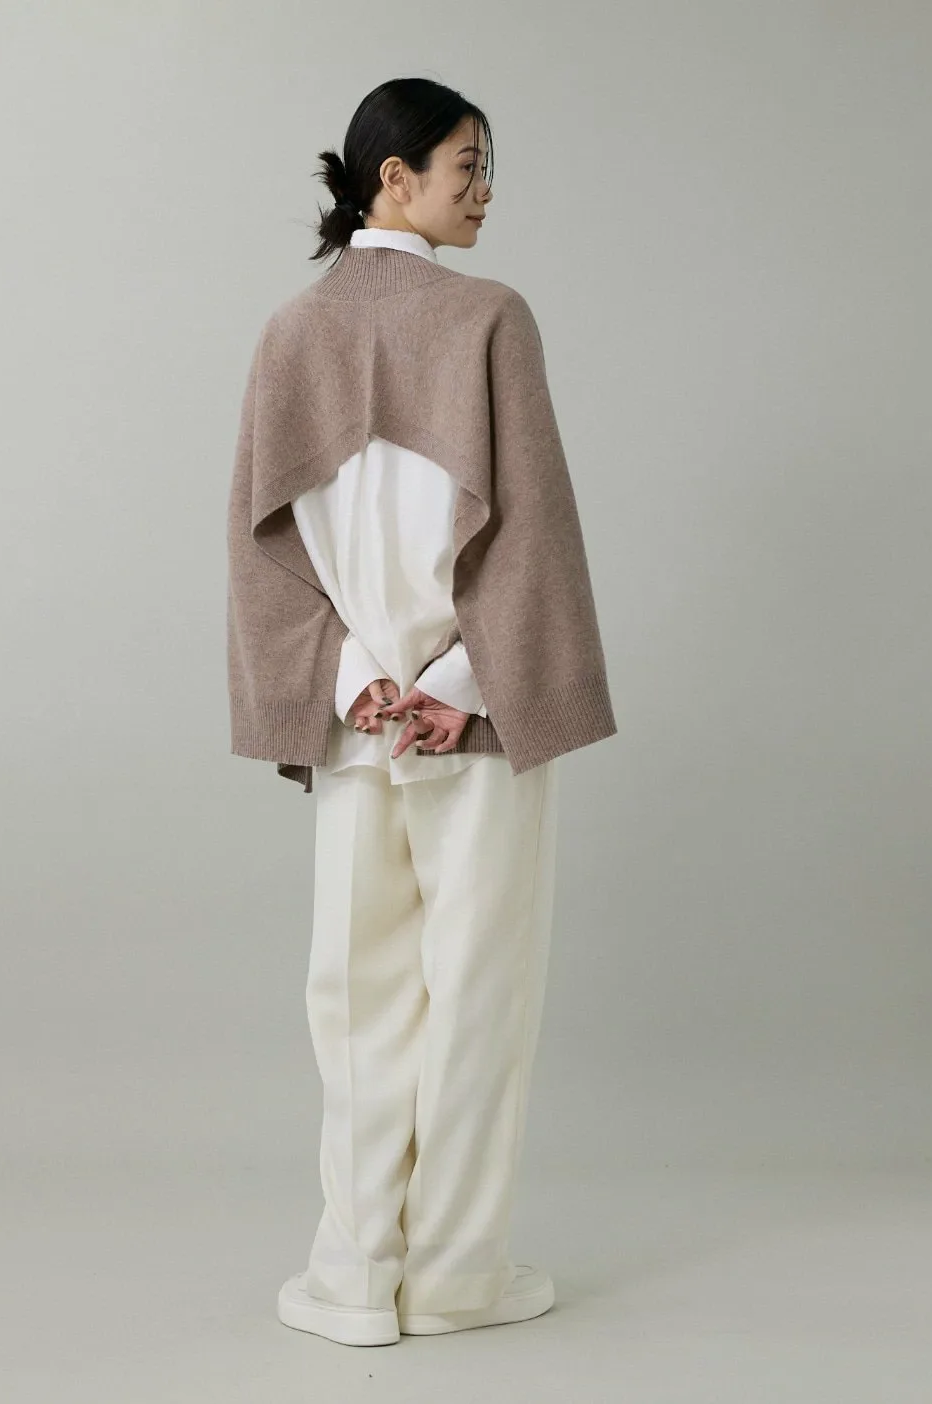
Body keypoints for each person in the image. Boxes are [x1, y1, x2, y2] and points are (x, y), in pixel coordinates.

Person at [225, 77, 618, 1347]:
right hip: (472, 717)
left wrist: (352, 680)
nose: (484, 189)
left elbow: (267, 547)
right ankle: (454, 1277)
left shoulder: (291, 333)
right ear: (391, 176)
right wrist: (459, 687)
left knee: (355, 997)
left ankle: (352, 1279)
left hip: (357, 715)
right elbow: (531, 534)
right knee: (479, 990)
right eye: (467, 164)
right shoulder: (491, 319)